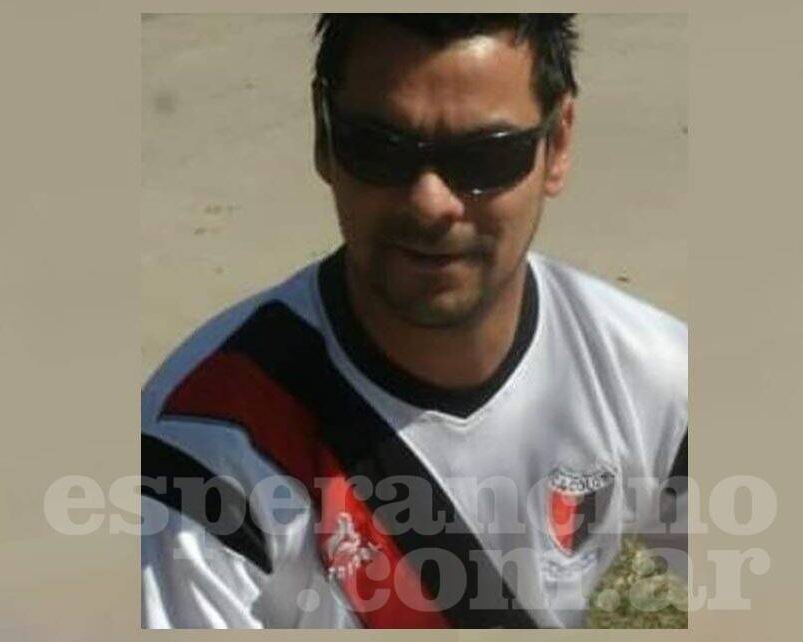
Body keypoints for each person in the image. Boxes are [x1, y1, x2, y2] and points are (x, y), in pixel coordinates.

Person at [141, 13, 687, 629]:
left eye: (485, 157)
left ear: (556, 144)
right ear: (323, 136)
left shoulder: (656, 374)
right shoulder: (203, 447)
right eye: (380, 149)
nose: (431, 202)